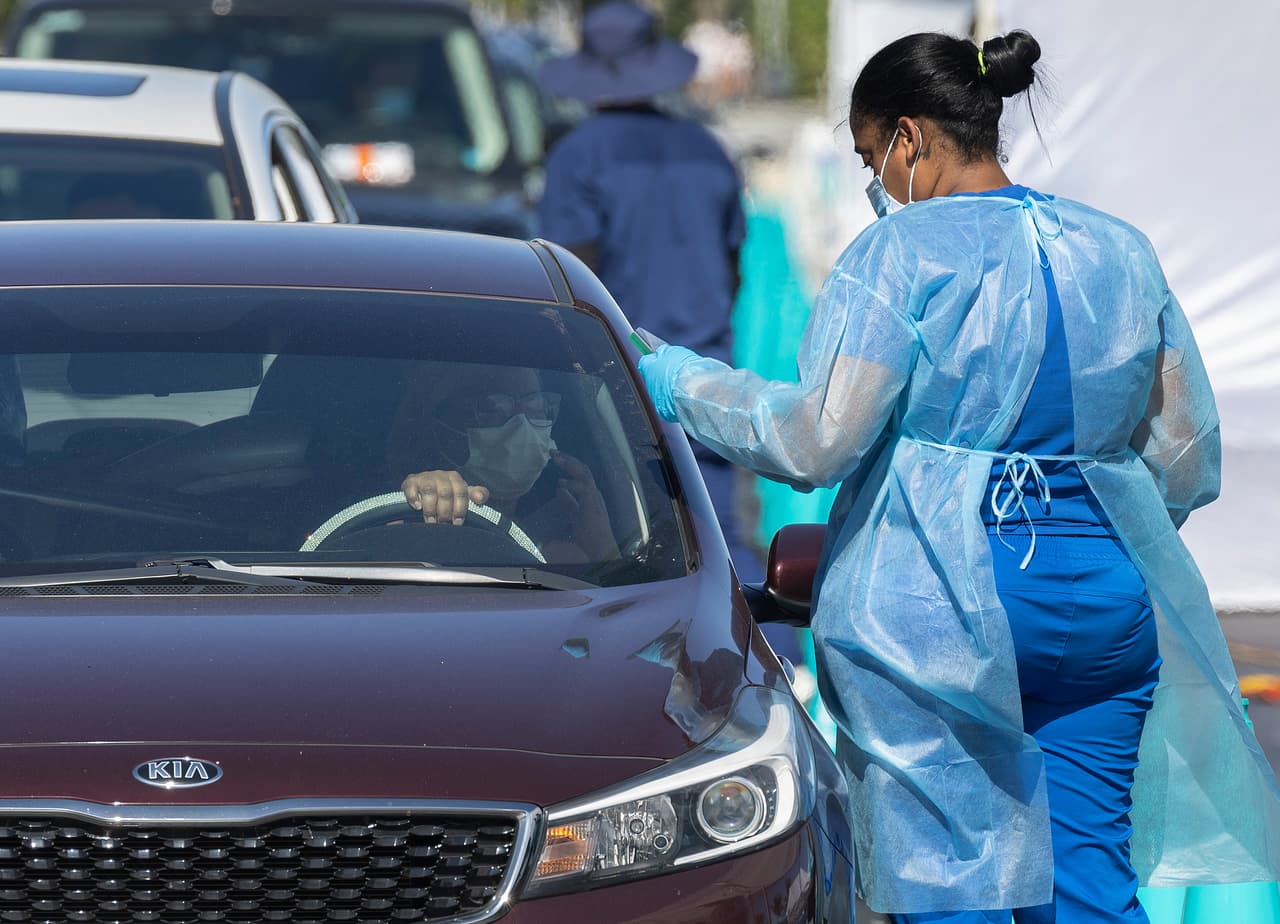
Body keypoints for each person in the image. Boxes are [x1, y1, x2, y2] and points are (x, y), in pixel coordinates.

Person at [637, 29, 1280, 924]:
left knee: (950, 885)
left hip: (938, 609)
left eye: (870, 156)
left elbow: (816, 439)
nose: (875, 181)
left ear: (909, 138)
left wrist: (674, 381)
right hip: (1105, 602)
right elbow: (1184, 455)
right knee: (1091, 879)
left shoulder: (900, 257)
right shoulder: (1117, 250)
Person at [536, 0, 764, 584]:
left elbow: (569, 280)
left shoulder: (576, 156)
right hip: (708, 375)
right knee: (722, 543)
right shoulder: (708, 150)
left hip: (616, 382)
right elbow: (734, 264)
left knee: (625, 556)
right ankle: (778, 665)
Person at [393, 362, 617, 564]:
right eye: (492, 407)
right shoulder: (407, 523)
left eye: (535, 404)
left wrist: (602, 548)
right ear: (435, 428)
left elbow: (613, 601)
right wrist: (422, 505)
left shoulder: (563, 559)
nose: (521, 423)